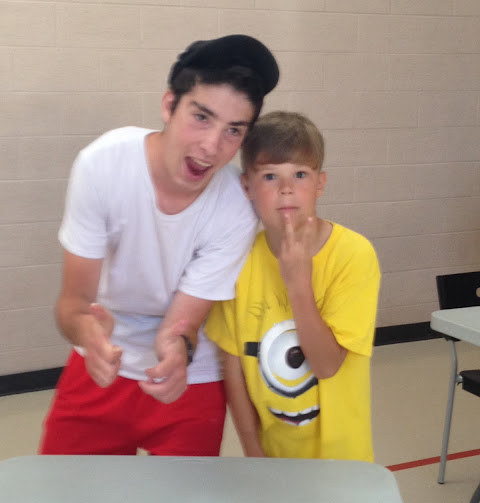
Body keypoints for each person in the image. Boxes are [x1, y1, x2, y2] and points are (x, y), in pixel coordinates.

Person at [39, 35, 280, 456]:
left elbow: (183, 325)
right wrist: (87, 332)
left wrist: (177, 350)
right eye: (201, 117)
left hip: (189, 376)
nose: (211, 146)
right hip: (102, 360)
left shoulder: (235, 207)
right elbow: (72, 305)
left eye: (233, 131)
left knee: (183, 500)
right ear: (169, 106)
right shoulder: (103, 164)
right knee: (61, 493)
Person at [205, 111, 381, 460]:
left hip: (341, 459)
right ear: (247, 187)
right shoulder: (237, 260)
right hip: (274, 453)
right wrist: (253, 449)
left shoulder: (354, 255)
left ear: (320, 184)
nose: (286, 189)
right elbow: (234, 366)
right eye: (270, 176)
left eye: (300, 174)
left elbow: (327, 365)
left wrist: (298, 284)